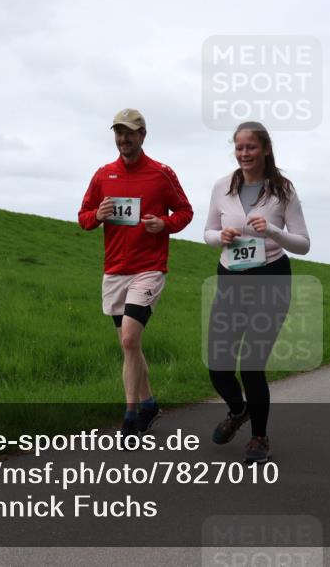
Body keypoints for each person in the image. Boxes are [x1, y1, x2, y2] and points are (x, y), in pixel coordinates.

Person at [78, 108, 193, 441]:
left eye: (129, 133)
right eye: (118, 133)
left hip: (149, 268)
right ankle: (150, 404)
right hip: (115, 270)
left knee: (129, 338)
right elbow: (83, 218)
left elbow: (185, 211)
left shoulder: (161, 174)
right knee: (131, 346)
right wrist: (97, 214)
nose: (123, 139)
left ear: (143, 135)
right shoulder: (103, 175)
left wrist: (165, 224)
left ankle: (129, 417)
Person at [204, 121, 310, 464]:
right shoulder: (222, 186)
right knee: (218, 366)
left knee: (251, 365)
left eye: (250, 147)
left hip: (271, 279)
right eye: (239, 148)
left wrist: (275, 232)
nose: (244, 153)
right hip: (231, 278)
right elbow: (208, 230)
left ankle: (259, 438)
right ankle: (238, 411)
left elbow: (304, 244)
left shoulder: (283, 190)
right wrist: (220, 237)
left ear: (265, 149)